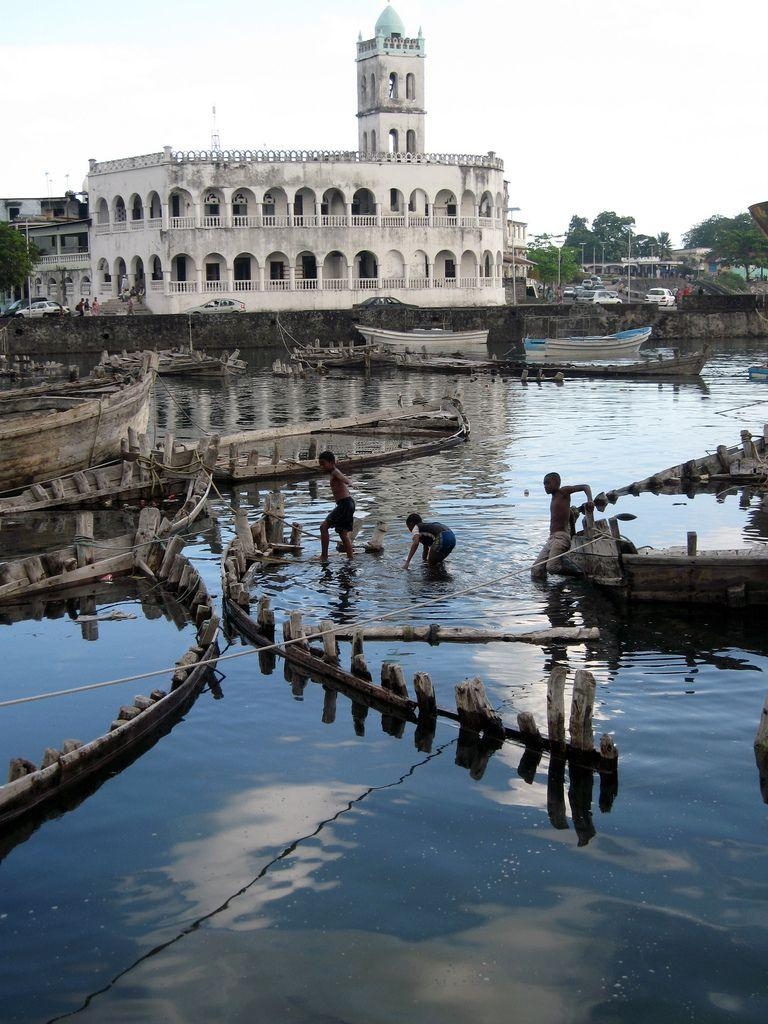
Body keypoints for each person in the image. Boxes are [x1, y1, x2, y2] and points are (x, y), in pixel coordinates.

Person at [531, 472, 593, 579]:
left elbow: (585, 487)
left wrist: (590, 500)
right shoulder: (554, 498)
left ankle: (579, 574)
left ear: (556, 483)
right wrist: (573, 532)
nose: (545, 486)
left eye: (548, 483)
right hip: (552, 538)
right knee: (536, 569)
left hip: (561, 538)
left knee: (551, 567)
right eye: (544, 484)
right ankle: (543, 591)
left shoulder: (563, 492)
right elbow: (570, 515)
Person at [318, 451, 355, 559]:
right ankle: (350, 558)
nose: (322, 466)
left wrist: (350, 483)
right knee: (343, 533)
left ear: (331, 462)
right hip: (347, 504)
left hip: (345, 504)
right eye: (320, 464)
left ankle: (324, 556)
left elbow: (343, 478)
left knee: (323, 527)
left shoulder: (335, 472)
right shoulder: (333, 473)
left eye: (323, 463)